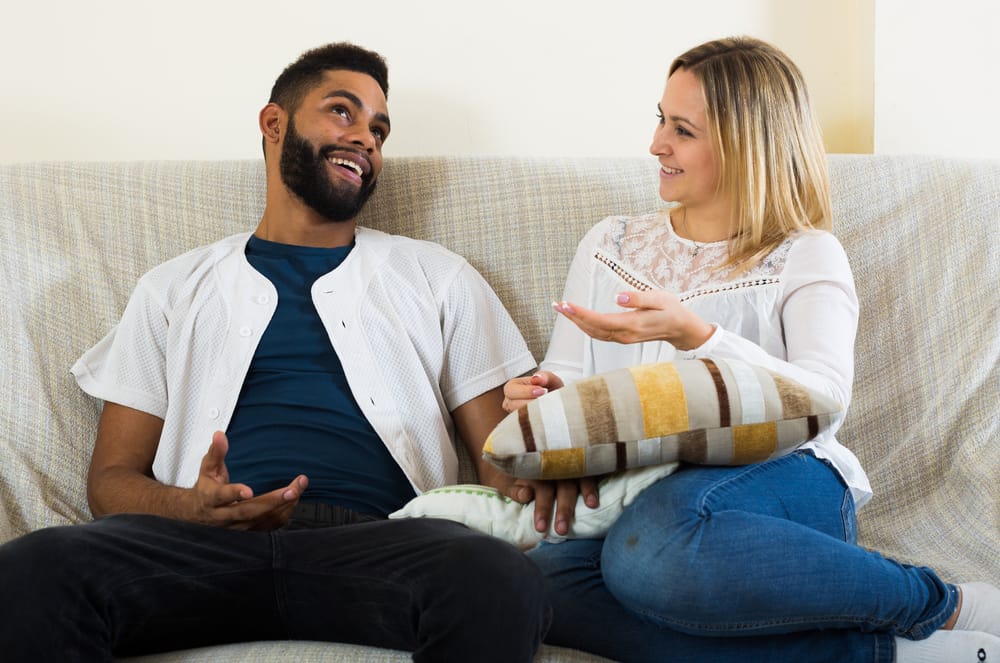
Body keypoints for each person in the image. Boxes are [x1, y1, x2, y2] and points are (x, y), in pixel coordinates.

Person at [0, 42, 550, 662]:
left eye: (379, 129)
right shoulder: (173, 288)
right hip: (196, 548)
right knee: (31, 569)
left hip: (385, 544)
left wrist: (548, 437)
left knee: (497, 578)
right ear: (274, 123)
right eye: (343, 112)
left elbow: (501, 469)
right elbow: (109, 482)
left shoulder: (439, 277)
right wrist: (190, 508)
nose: (366, 138)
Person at [503, 36, 999, 663]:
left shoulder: (806, 253)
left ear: (745, 146)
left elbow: (824, 399)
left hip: (782, 480)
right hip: (639, 493)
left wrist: (699, 336)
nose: (657, 144)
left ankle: (940, 604)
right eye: (661, 119)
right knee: (539, 586)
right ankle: (890, 656)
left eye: (682, 130)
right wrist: (539, 401)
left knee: (652, 550)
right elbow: (570, 373)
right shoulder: (611, 244)